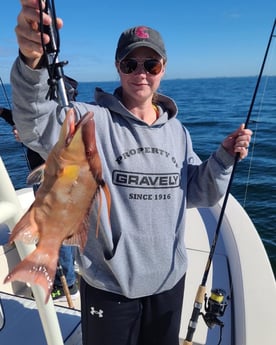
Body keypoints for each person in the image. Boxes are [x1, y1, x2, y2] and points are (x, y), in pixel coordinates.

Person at [11, 2, 252, 344]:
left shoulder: (178, 131)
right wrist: (31, 62)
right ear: (118, 67)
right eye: (130, 63)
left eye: (150, 64)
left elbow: (197, 192)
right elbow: (35, 124)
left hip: (169, 281)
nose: (141, 72)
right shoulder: (87, 118)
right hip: (110, 284)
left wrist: (224, 158)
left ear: (163, 68)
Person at [1, 110, 79, 302]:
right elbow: (28, 118)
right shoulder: (55, 94)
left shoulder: (56, 98)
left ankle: (66, 284)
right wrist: (4, 113)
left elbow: (54, 133)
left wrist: (27, 137)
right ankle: (67, 277)